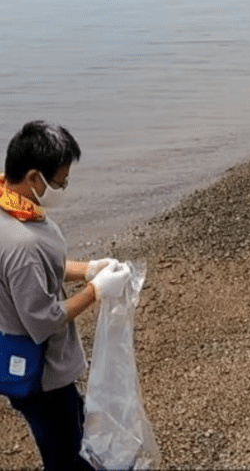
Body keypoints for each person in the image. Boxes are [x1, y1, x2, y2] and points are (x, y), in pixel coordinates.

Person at [0, 121, 129, 470]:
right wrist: (95, 291)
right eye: (59, 181)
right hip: (41, 374)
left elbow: (45, 267)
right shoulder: (20, 243)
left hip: (49, 373)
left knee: (74, 428)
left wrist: (88, 268)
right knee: (64, 455)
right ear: (32, 178)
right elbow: (43, 321)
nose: (64, 186)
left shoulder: (9, 206)